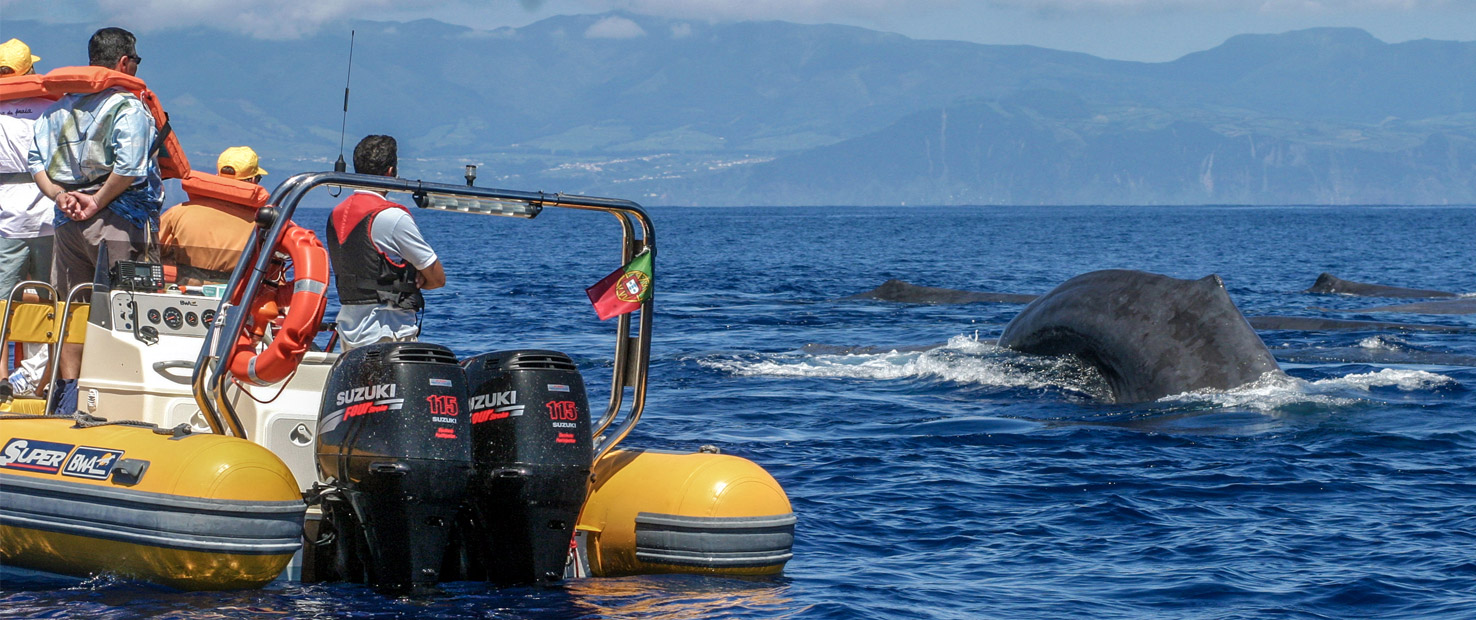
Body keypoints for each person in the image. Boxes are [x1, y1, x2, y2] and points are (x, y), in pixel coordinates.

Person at [27, 27, 161, 414]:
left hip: (67, 223)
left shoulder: (57, 109)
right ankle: (125, 400)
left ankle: (68, 398)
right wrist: (96, 200)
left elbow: (37, 163)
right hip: (119, 220)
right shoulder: (127, 107)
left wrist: (62, 196)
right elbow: (130, 168)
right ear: (124, 62)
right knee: (130, 308)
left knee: (74, 307)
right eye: (136, 60)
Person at [326, 135, 445, 350]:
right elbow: (437, 279)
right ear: (391, 172)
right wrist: (415, 279)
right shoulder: (392, 217)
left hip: (349, 335)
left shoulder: (335, 215)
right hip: (388, 334)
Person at [0, 38, 55, 396]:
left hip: (5, 216)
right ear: (30, 71)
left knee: (2, 304)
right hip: (50, 209)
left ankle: (2, 380)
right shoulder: (52, 109)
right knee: (51, 297)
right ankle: (46, 381)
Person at [159, 146, 268, 284]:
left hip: (185, 295)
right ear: (253, 181)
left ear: (218, 177)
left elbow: (150, 249)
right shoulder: (263, 225)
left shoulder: (178, 213)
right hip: (235, 301)